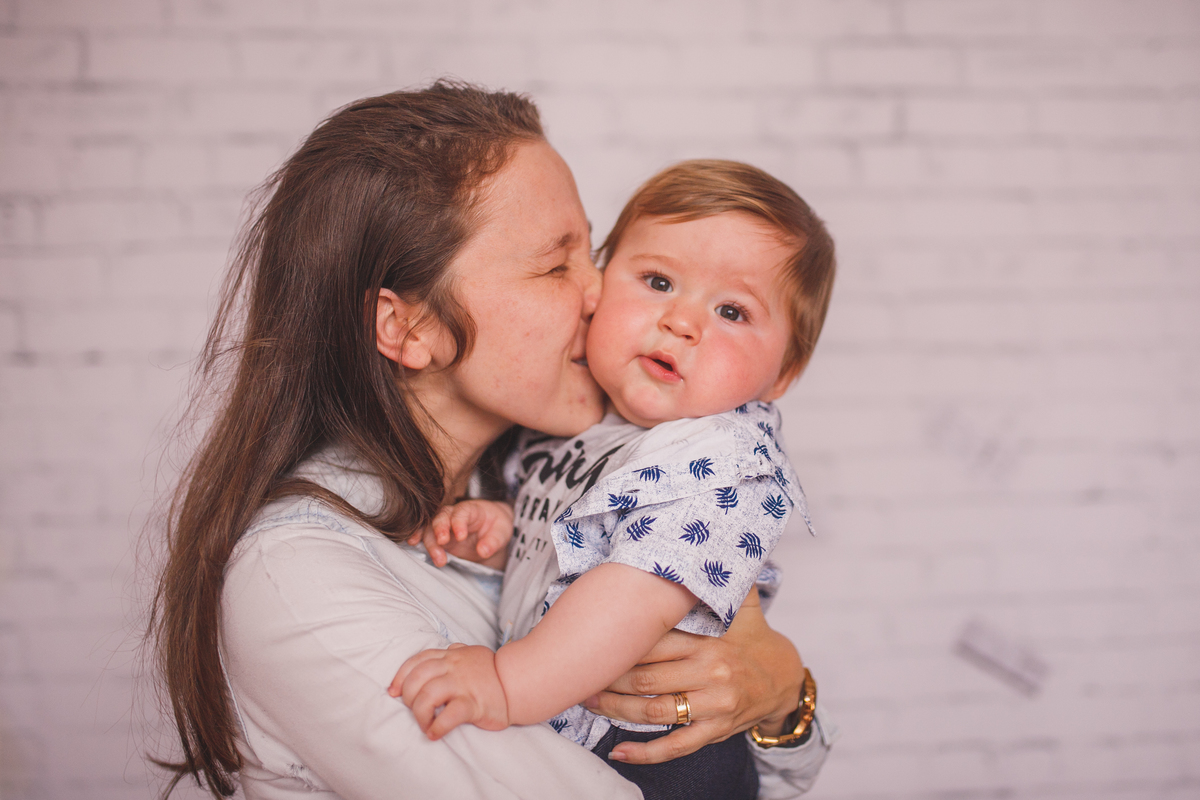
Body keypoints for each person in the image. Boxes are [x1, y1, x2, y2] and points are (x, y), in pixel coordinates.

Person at [147, 81, 831, 800]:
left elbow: (780, 775)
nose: (604, 293)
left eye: (591, 252)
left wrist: (784, 694)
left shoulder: (553, 475)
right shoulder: (297, 577)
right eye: (555, 264)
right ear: (411, 328)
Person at [391, 160, 835, 800]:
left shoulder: (721, 461)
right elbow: (576, 541)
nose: (683, 321)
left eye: (733, 311)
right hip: (578, 723)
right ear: (601, 287)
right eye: (658, 280)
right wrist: (508, 528)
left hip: (658, 757)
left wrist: (505, 683)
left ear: (784, 372)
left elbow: (630, 599)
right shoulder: (575, 420)